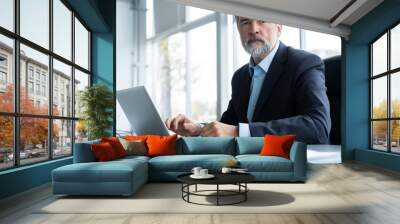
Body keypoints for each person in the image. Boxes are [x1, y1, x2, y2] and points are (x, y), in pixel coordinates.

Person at [165, 16, 331, 144]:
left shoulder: (303, 64)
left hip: (295, 168)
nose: (253, 29)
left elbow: (318, 127)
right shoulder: (240, 77)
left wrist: (240, 132)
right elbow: (227, 126)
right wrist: (198, 129)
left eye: (262, 20)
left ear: (279, 27)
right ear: (238, 29)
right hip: (250, 166)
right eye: (245, 22)